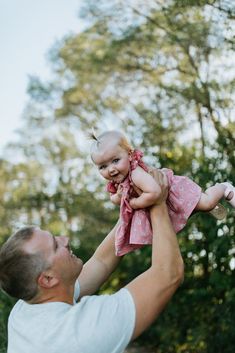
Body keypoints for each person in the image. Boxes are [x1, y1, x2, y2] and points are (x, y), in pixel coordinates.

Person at [0, 170, 183, 353]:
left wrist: (129, 208)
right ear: (47, 279)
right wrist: (157, 203)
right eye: (56, 245)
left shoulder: (25, 308)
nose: (65, 238)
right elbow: (167, 274)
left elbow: (100, 262)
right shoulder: (81, 331)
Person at [90, 130, 235, 256]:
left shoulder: (136, 174)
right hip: (168, 204)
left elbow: (154, 192)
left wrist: (134, 203)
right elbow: (113, 198)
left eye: (115, 160)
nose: (111, 169)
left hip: (175, 192)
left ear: (129, 155)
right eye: (103, 166)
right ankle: (203, 205)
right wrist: (119, 196)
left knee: (207, 203)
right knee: (187, 215)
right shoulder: (117, 179)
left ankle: (223, 188)